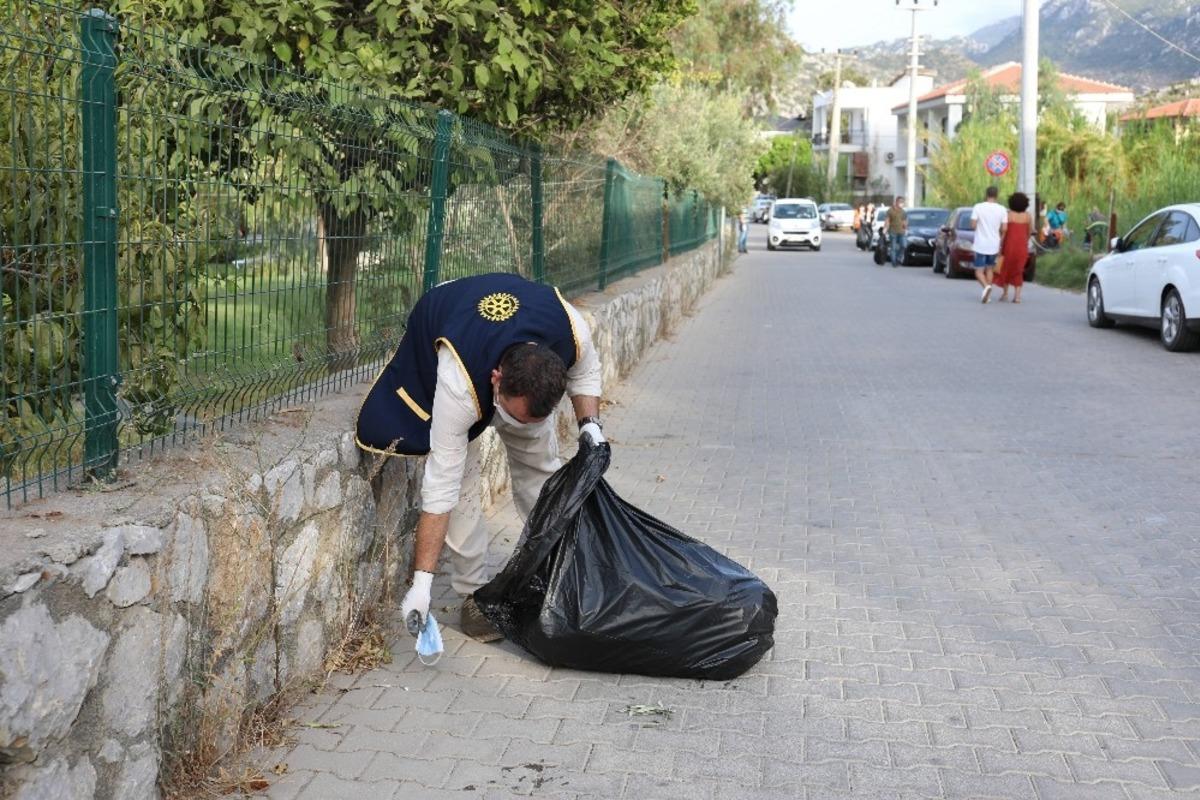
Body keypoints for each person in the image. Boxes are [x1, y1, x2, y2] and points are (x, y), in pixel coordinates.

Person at [355, 273, 604, 642]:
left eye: (532, 417)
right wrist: (422, 584)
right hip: (450, 332)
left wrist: (590, 427)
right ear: (497, 379)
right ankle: (474, 596)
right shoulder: (458, 385)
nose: (519, 423)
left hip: (508, 360)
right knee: (465, 486)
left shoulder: (569, 330)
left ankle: (559, 571)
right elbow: (442, 487)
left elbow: (587, 374)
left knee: (541, 473)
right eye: (514, 414)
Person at [970, 185, 1008, 303]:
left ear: (986, 195)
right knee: (990, 269)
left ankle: (986, 287)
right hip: (994, 244)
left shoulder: (978, 207)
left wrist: (979, 226)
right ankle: (988, 294)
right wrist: (1000, 239)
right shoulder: (1002, 209)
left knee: (978, 271)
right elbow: (1004, 228)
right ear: (997, 196)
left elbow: (973, 225)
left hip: (980, 244)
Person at [995, 191, 1032, 304]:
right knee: (1018, 270)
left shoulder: (1008, 214)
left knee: (1006, 268)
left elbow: (1003, 231)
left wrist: (999, 244)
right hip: (1022, 247)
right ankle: (1017, 296)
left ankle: (1005, 294)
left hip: (1009, 246)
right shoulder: (1028, 216)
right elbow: (1029, 232)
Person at [883, 196, 907, 267]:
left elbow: (905, 221)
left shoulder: (903, 212)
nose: (902, 204)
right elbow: (887, 221)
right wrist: (885, 229)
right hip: (893, 232)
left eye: (903, 202)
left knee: (904, 245)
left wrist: (905, 227)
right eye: (900, 202)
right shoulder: (890, 211)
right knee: (893, 247)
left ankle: (898, 258)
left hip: (901, 232)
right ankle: (894, 262)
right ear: (896, 202)